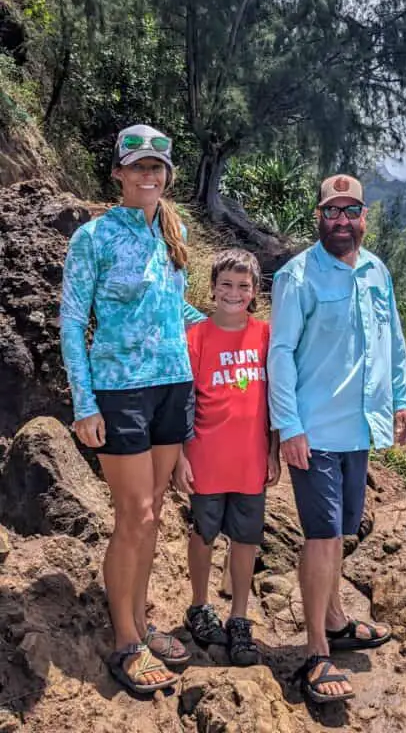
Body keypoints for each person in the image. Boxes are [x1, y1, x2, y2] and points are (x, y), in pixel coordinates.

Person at [60, 124, 204, 694]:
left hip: (174, 385)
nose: (150, 174)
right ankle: (125, 639)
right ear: (119, 172)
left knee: (157, 513)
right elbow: (72, 321)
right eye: (139, 165)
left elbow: (176, 313)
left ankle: (142, 620)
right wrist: (84, 403)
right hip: (120, 391)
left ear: (167, 175)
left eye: (159, 167)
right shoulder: (92, 238)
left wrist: (242, 331)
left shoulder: (176, 233)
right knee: (135, 515)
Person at [267, 173, 406, 706]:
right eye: (333, 212)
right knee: (323, 535)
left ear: (364, 218)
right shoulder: (297, 276)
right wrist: (290, 426)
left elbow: (391, 339)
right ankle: (316, 650)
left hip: (360, 428)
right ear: (319, 217)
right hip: (316, 430)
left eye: (351, 212)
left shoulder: (377, 270)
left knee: (342, 529)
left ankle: (335, 617)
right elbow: (279, 353)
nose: (343, 222)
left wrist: (402, 398)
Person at [173, 249, 280, 666]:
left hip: (251, 460)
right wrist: (182, 456)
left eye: (243, 286)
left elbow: (275, 399)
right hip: (206, 458)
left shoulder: (267, 336)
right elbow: (184, 401)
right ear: (213, 288)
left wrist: (273, 450)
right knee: (203, 533)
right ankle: (199, 605)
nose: (234, 293)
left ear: (254, 292)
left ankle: (239, 617)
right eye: (226, 285)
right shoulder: (196, 337)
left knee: (247, 539)